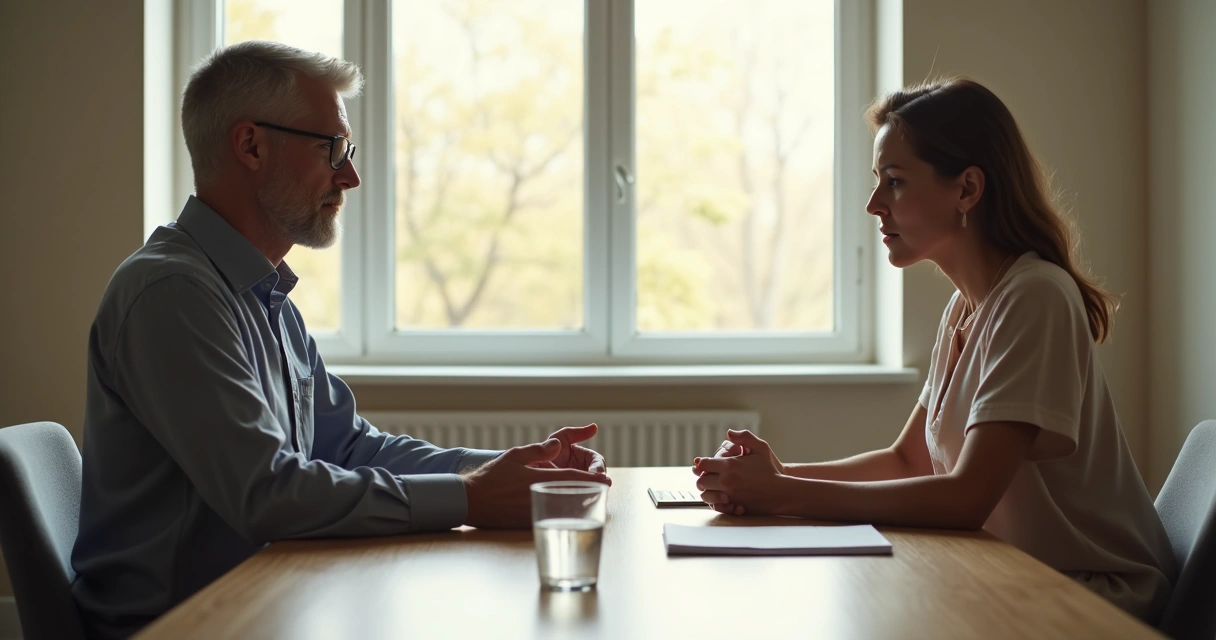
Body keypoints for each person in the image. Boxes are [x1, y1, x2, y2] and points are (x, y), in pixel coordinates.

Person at [70, 41, 609, 639]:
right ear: (250, 144)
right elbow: (269, 494)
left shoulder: (263, 294)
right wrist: (469, 498)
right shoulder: (171, 293)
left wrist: (511, 470)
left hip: (263, 605)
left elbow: (350, 448)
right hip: (180, 627)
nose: (349, 175)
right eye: (331, 149)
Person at [693, 78, 1177, 622]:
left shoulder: (1035, 295)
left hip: (1095, 597)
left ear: (967, 189)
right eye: (878, 182)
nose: (875, 205)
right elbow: (907, 460)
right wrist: (781, 474)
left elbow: (966, 497)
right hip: (1015, 574)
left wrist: (781, 494)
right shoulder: (964, 309)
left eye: (895, 182)